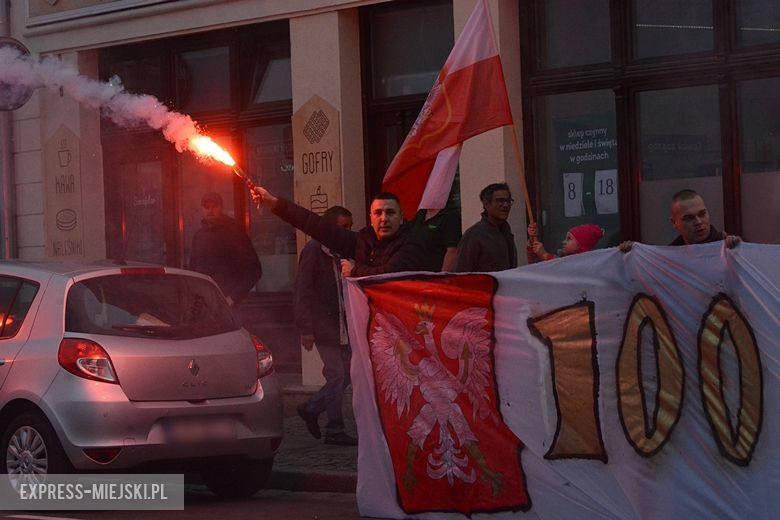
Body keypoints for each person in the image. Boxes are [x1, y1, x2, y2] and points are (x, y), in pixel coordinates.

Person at [250, 187, 423, 276]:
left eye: (390, 213)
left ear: (401, 217)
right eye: (378, 213)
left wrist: (355, 271)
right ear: (370, 217)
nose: (384, 218)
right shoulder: (362, 241)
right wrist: (275, 203)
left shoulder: (412, 243)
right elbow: (316, 225)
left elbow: (390, 273)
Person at [294, 206, 357, 446]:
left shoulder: (345, 251)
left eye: (349, 227)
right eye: (343, 227)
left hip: (343, 323)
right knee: (337, 373)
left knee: (349, 372)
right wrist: (306, 328)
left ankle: (311, 407)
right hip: (324, 324)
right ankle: (335, 429)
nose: (347, 232)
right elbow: (303, 289)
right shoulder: (313, 250)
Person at [189, 192, 262, 306]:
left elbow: (254, 270)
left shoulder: (234, 233)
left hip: (230, 305)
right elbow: (194, 270)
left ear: (221, 208)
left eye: (214, 207)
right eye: (207, 207)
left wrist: (233, 298)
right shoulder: (199, 237)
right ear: (201, 209)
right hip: (205, 303)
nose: (210, 210)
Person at [619, 189, 740, 252]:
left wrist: (740, 250)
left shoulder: (731, 245)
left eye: (702, 214)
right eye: (689, 218)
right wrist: (628, 258)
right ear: (674, 223)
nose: (698, 222)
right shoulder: (670, 256)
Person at [454, 183, 517, 272]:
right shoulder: (474, 236)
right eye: (500, 201)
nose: (505, 205)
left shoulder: (506, 232)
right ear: (486, 204)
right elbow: (462, 273)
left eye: (508, 201)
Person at [411, 207, 462, 272]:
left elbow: (453, 250)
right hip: (416, 274)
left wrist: (442, 276)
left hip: (434, 275)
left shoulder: (450, 216)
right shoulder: (420, 214)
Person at [527, 223, 604, 262]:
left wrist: (544, 255)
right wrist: (532, 239)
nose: (563, 242)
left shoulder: (584, 263)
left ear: (582, 244)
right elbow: (535, 263)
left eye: (569, 239)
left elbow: (561, 267)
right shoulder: (563, 258)